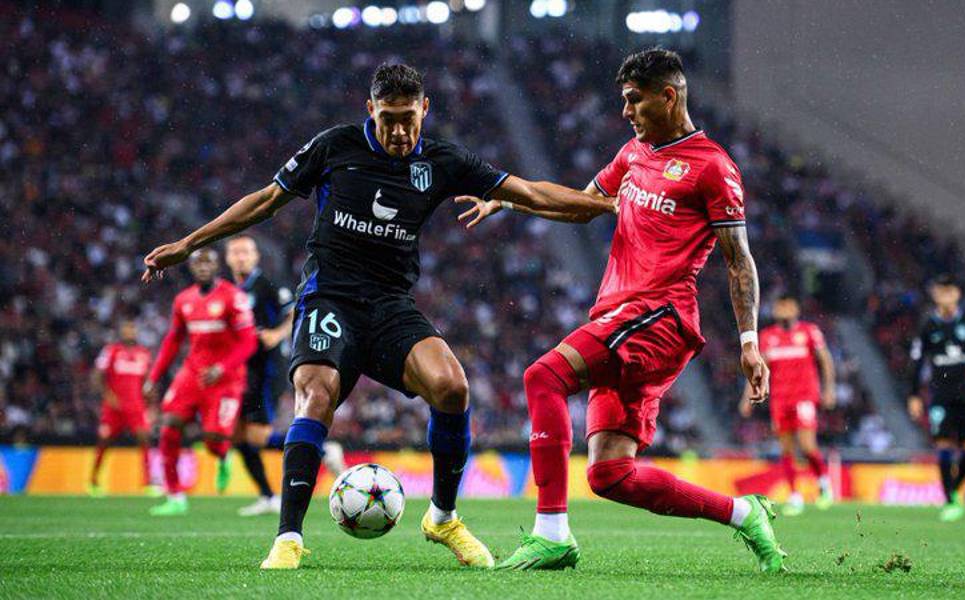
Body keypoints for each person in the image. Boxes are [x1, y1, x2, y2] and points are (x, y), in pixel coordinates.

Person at [141, 63, 612, 569]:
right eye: (388, 117)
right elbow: (266, 201)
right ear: (370, 109)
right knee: (316, 393)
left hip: (390, 305)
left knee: (452, 387)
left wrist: (605, 205)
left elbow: (532, 192)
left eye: (408, 117)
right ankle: (288, 539)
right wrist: (189, 244)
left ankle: (443, 517)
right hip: (330, 299)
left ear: (424, 109)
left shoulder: (441, 159)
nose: (399, 131)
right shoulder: (335, 146)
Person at [457, 47, 786, 573]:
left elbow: (738, 261)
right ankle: (743, 512)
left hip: (659, 318)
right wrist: (510, 200)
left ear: (669, 96)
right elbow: (583, 206)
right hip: (622, 318)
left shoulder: (713, 168)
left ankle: (551, 534)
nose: (626, 112)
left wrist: (750, 343)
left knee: (543, 377)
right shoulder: (633, 154)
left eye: (634, 101)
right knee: (610, 475)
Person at [224, 235, 346, 518]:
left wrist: (276, 334)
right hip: (239, 371)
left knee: (257, 435)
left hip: (266, 369)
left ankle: (323, 450)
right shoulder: (229, 290)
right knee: (237, 435)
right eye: (235, 252)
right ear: (228, 258)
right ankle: (267, 496)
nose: (241, 257)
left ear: (255, 257)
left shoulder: (267, 285)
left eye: (246, 252)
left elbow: (293, 312)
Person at [144, 249, 258, 515]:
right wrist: (154, 376)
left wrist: (222, 367)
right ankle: (174, 496)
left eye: (208, 262)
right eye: (198, 263)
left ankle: (222, 455)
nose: (203, 267)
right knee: (169, 428)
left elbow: (248, 341)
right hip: (192, 374)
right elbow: (173, 341)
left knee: (212, 441)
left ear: (217, 266)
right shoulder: (184, 300)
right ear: (191, 268)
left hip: (226, 379)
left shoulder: (234, 297)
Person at [739, 296, 836, 516]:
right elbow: (757, 370)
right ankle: (794, 495)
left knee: (807, 445)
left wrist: (829, 389)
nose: (782, 309)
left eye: (786, 305)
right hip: (780, 400)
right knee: (786, 449)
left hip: (805, 397)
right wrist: (747, 398)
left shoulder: (809, 331)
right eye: (778, 306)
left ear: (795, 308)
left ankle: (823, 483)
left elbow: (826, 360)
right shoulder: (767, 337)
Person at [907, 274, 965, 522]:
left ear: (957, 294)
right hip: (940, 394)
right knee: (943, 446)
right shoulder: (927, 326)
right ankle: (950, 499)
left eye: (949, 290)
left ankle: (952, 488)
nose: (945, 295)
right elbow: (916, 362)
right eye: (940, 291)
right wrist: (913, 395)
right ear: (935, 295)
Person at [89, 319, 154, 497]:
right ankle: (93, 480)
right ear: (121, 332)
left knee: (144, 439)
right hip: (114, 406)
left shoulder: (144, 354)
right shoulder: (111, 351)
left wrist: (151, 406)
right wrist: (108, 396)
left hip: (136, 406)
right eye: (126, 328)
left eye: (132, 328)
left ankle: (148, 483)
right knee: (104, 441)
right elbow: (97, 376)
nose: (129, 331)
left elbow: (149, 382)